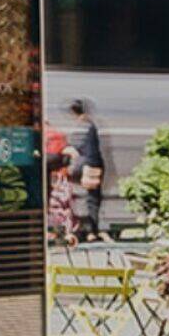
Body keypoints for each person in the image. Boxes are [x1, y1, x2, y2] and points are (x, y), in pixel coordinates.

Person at [66, 99, 107, 242]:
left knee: (88, 200)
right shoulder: (89, 125)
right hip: (92, 164)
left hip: (87, 166)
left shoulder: (82, 126)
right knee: (92, 200)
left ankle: (88, 229)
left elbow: (78, 148)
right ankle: (91, 230)